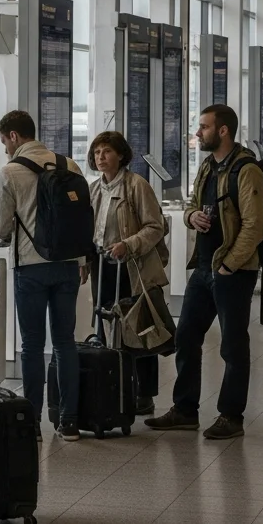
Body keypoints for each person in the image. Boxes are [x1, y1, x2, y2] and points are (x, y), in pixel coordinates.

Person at [145, 105, 263, 440]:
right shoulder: (208, 168)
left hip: (233, 271)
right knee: (185, 338)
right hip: (203, 268)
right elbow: (191, 205)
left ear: (223, 130)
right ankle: (185, 410)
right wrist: (191, 217)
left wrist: (229, 265)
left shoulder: (246, 171)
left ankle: (231, 416)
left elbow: (255, 226)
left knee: (233, 346)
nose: (197, 133)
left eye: (203, 127)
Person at [0, 111, 86, 443]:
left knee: (31, 345)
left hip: (30, 267)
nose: (4, 148)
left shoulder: (10, 172)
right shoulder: (69, 165)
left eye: (4, 140)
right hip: (67, 264)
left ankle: (31, 424)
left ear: (14, 136)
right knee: (64, 342)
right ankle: (69, 421)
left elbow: (0, 228)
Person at [87, 131, 171, 416]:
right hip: (104, 266)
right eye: (97, 152)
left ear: (120, 155)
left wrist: (128, 244)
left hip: (132, 268)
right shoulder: (94, 189)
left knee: (138, 329)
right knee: (105, 327)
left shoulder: (137, 185)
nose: (101, 157)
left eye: (107, 151)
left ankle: (144, 393)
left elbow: (155, 227)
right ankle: (113, 388)